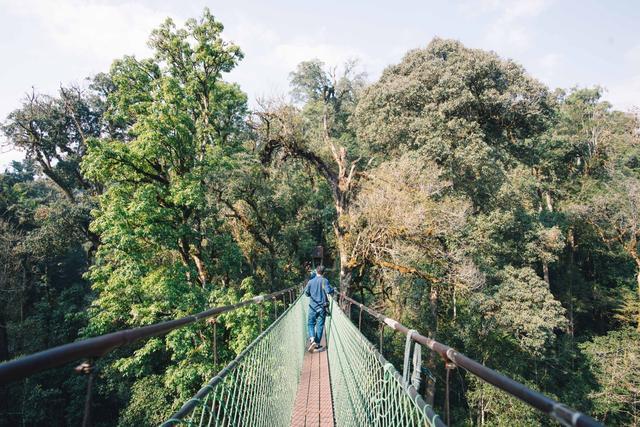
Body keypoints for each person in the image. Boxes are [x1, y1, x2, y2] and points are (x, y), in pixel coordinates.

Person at [304, 265, 334, 352]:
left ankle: (312, 340)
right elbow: (329, 291)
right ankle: (316, 344)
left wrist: (311, 294)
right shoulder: (325, 281)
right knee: (320, 325)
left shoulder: (310, 282)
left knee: (310, 324)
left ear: (316, 272)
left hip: (312, 307)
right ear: (324, 273)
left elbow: (306, 293)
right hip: (322, 308)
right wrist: (333, 289)